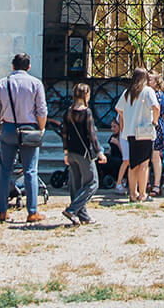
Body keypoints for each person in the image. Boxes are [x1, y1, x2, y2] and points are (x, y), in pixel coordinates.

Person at [0, 53, 48, 224]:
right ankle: (32, 211)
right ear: (29, 67)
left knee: (5, 170)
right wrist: (41, 128)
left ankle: (2, 211)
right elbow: (42, 110)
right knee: (30, 170)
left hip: (8, 127)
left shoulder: (2, 83)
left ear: (13, 66)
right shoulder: (35, 83)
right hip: (29, 128)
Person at [114, 68, 159, 202]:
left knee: (133, 164)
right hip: (144, 131)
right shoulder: (147, 91)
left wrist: (126, 119)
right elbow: (156, 107)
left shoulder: (127, 92)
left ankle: (133, 193)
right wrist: (155, 121)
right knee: (144, 164)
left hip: (130, 131)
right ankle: (142, 193)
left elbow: (118, 108)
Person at [60, 83, 101, 225]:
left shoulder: (68, 112)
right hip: (84, 153)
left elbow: (64, 133)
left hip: (71, 152)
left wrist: (65, 152)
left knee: (75, 185)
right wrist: (99, 151)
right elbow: (91, 134)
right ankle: (72, 210)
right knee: (92, 183)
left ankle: (83, 216)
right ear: (86, 95)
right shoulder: (86, 112)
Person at [146, 71, 164, 196]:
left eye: (150, 79)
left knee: (155, 156)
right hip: (148, 125)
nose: (147, 81)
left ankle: (156, 184)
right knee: (146, 156)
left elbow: (156, 109)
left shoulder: (158, 95)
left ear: (156, 82)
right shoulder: (147, 93)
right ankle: (146, 183)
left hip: (156, 126)